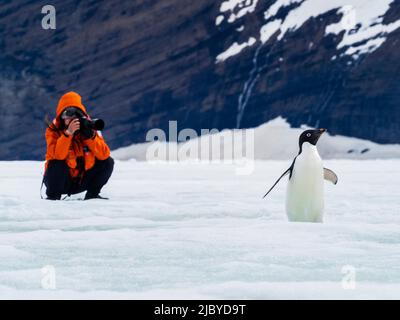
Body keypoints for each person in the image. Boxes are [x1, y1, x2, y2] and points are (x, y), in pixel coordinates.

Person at [43, 91, 114, 200]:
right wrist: (68, 134)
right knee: (56, 164)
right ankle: (53, 198)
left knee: (108, 162)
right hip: (60, 182)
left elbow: (104, 155)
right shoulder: (53, 130)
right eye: (67, 115)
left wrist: (89, 137)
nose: (71, 120)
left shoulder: (88, 128)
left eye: (76, 115)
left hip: (81, 181)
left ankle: (92, 195)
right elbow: (58, 156)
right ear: (61, 117)